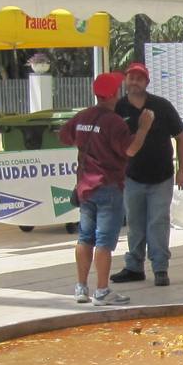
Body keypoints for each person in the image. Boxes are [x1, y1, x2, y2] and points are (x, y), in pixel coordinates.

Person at [59, 72, 153, 306]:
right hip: (108, 186)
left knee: (84, 237)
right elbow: (130, 150)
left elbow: (64, 136)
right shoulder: (114, 122)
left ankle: (81, 287)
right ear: (113, 95)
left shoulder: (82, 116)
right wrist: (143, 128)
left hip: (85, 187)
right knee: (103, 241)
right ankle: (102, 291)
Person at [110, 62, 183, 287]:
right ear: (125, 80)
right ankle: (134, 266)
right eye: (131, 77)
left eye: (139, 78)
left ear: (147, 82)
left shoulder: (161, 106)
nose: (134, 81)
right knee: (134, 223)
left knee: (158, 222)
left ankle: (160, 267)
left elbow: (181, 137)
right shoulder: (118, 108)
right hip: (131, 176)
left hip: (161, 176)